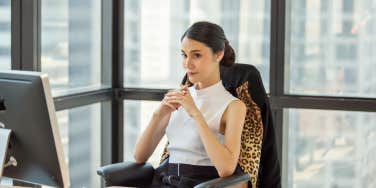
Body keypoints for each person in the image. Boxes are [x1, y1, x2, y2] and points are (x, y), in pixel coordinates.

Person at [133, 21, 248, 188]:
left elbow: (226, 169)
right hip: (166, 180)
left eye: (197, 55)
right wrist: (159, 113)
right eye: (184, 55)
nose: (187, 64)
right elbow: (139, 156)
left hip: (199, 184)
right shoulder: (180, 96)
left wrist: (195, 113)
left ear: (219, 54)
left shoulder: (233, 106)